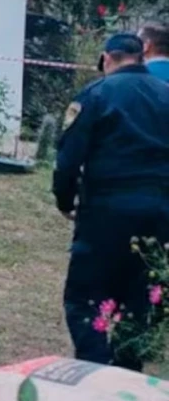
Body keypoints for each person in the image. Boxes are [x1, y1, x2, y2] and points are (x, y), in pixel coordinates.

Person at [56, 33, 169, 371]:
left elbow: (68, 159)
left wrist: (65, 201)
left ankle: (94, 368)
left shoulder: (96, 94)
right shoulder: (166, 95)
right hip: (159, 213)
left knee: (83, 297)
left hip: (106, 210)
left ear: (107, 59)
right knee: (140, 296)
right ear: (140, 56)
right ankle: (127, 373)